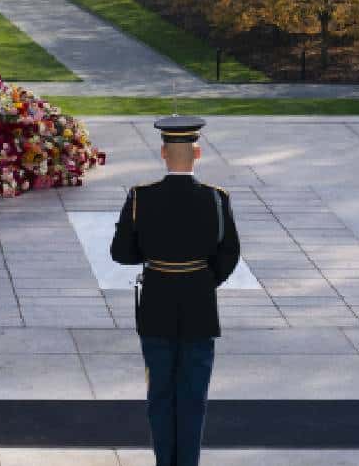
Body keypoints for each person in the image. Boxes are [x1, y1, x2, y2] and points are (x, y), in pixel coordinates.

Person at [110, 115, 240, 466]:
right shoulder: (216, 199)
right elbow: (229, 252)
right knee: (193, 397)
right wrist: (203, 279)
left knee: (161, 397)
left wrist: (152, 258)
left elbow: (120, 253)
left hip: (157, 305)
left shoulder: (141, 198)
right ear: (197, 153)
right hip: (199, 307)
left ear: (164, 153)